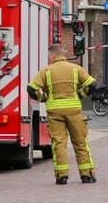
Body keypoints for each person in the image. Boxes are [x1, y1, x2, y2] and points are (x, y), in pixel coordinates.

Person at [27, 44, 97, 185]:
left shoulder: (46, 71)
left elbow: (32, 88)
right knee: (80, 143)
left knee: (59, 144)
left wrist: (43, 98)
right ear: (63, 54)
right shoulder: (76, 69)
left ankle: (62, 176)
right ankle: (87, 175)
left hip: (55, 112)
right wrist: (80, 94)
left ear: (52, 55)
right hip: (74, 111)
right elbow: (92, 85)